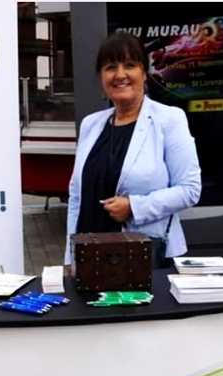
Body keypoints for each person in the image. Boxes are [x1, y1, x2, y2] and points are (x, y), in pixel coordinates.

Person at [64, 32, 201, 266]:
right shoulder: (90, 125)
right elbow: (76, 197)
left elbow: (190, 190)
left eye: (129, 65)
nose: (120, 75)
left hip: (141, 258)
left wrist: (134, 207)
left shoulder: (169, 120)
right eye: (110, 67)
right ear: (101, 76)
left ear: (144, 73)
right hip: (89, 258)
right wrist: (70, 259)